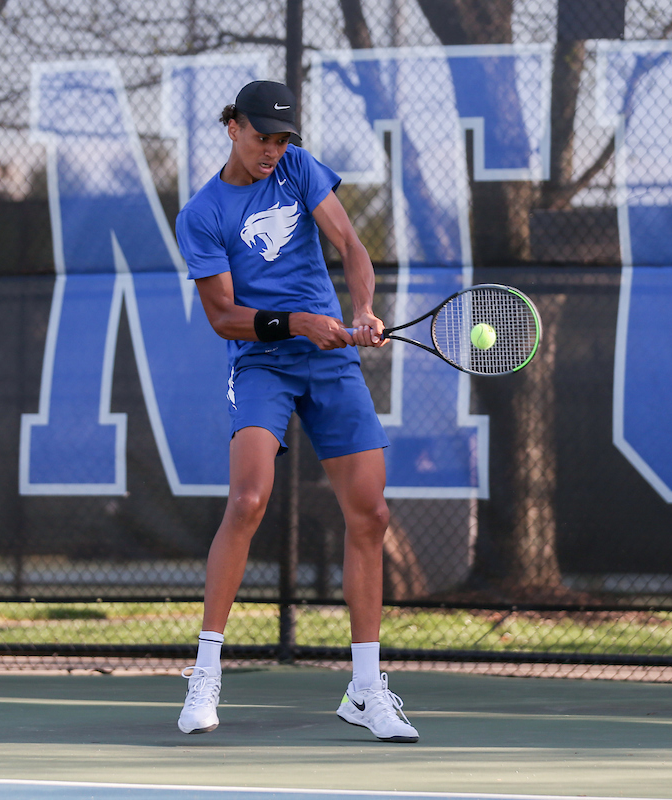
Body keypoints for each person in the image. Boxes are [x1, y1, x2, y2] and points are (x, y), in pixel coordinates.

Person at [172, 80, 418, 743]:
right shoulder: (203, 213)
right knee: (249, 500)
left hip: (331, 361)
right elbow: (225, 316)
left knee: (372, 512)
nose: (273, 151)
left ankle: (366, 689)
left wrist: (360, 309)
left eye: (282, 140)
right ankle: (205, 674)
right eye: (262, 138)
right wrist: (302, 323)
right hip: (262, 361)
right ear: (232, 127)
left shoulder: (300, 171)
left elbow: (350, 245)